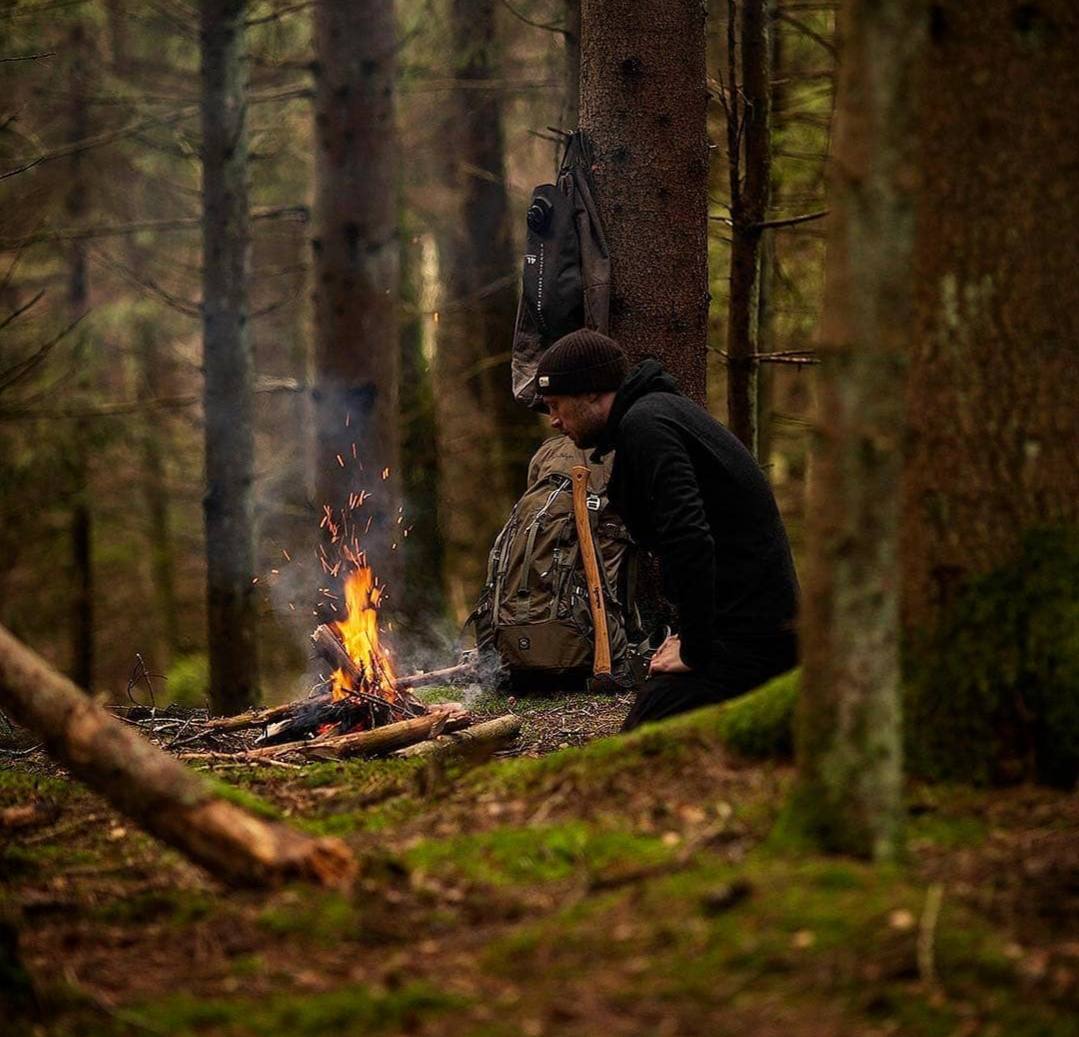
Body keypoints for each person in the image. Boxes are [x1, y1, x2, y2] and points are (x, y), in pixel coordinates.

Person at [534, 328, 799, 730]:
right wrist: (693, 635)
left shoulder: (648, 425)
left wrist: (695, 649)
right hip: (740, 632)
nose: (553, 420)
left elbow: (689, 538)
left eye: (557, 405)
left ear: (590, 393)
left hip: (755, 644)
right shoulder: (655, 414)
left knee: (642, 737)